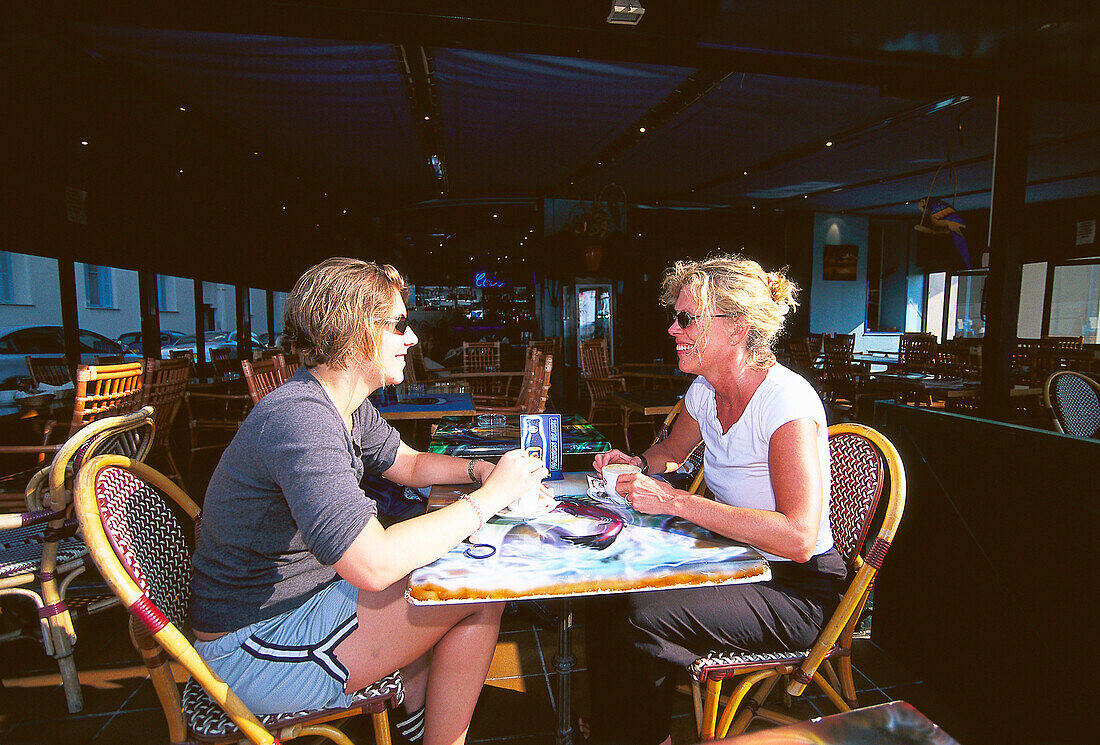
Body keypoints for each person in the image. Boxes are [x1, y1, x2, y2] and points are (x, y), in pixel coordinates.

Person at [190, 257, 549, 745]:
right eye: (400, 324)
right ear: (358, 331)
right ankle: (425, 725)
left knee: (461, 581)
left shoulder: (343, 406)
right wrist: (488, 499)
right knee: (476, 595)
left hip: (299, 605)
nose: (413, 339)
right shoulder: (303, 420)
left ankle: (415, 717)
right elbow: (373, 564)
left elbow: (412, 465)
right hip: (250, 652)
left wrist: (478, 471)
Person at [584, 254, 846, 745]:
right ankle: (613, 728)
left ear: (737, 329)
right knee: (603, 592)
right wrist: (634, 465)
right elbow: (667, 452)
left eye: (686, 319)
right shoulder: (705, 390)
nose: (671, 329)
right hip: (733, 560)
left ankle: (642, 735)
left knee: (641, 615)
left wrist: (677, 502)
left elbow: (798, 537)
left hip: (794, 588)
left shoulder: (785, 402)